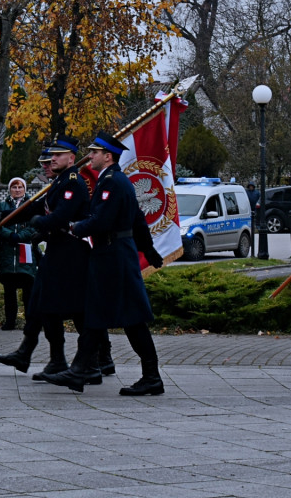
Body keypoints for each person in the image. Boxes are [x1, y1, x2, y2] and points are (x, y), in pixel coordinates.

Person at [41, 132, 165, 395]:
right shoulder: (111, 180)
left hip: (114, 256)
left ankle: (150, 376)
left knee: (130, 318)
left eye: (95, 152)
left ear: (107, 156)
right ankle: (81, 370)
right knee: (97, 314)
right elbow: (138, 219)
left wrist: (75, 227)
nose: (90, 156)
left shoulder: (112, 182)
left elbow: (102, 220)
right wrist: (148, 248)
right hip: (112, 255)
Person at [0, 140, 96, 378]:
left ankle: (92, 362)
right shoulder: (59, 182)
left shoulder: (73, 183)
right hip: (57, 252)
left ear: (72, 158)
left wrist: (38, 224)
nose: (52, 160)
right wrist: (4, 217)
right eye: (51, 157)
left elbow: (60, 216)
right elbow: (37, 207)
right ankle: (44, 357)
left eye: (58, 156)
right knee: (41, 303)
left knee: (75, 309)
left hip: (71, 253)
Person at [0, 177, 40, 330]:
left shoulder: (31, 205)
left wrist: (20, 236)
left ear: (24, 189)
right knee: (9, 291)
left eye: (20, 187)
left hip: (25, 252)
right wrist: (9, 235)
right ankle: (10, 321)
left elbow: (34, 225)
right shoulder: (2, 206)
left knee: (28, 291)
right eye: (14, 187)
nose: (17, 190)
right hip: (8, 253)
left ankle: (30, 321)